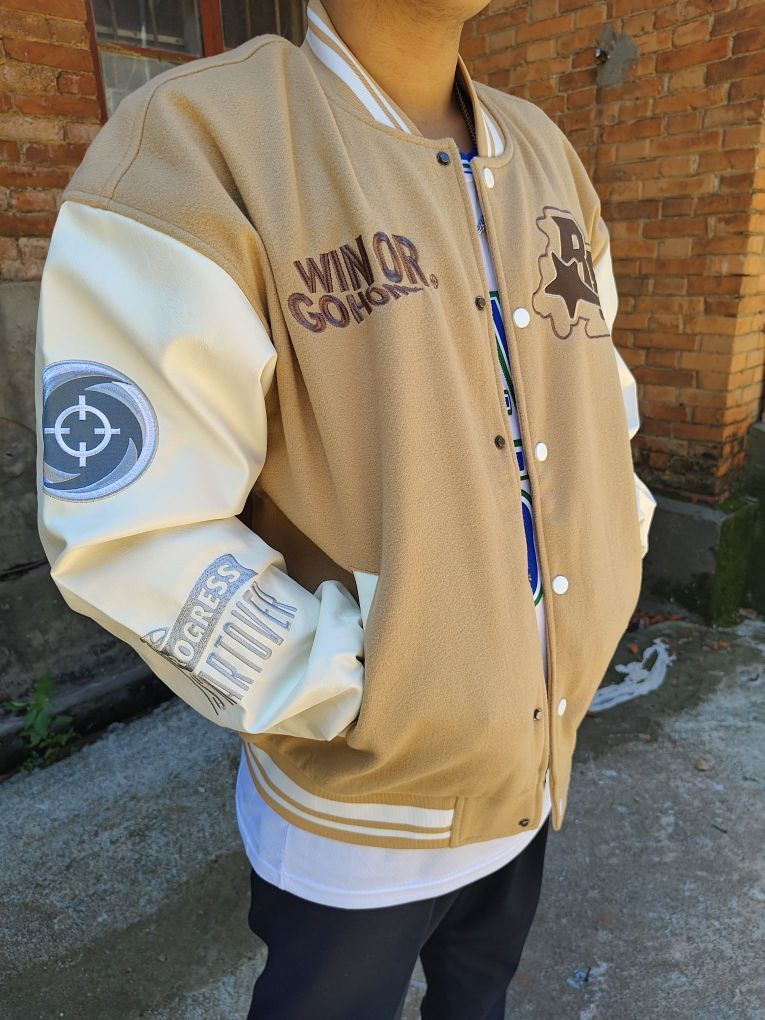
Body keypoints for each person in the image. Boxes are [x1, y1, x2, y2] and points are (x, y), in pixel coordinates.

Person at [34, 0, 656, 1016]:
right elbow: (130, 531)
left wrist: (607, 573)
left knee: (480, 1000)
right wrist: (365, 688)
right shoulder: (202, 143)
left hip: (536, 772)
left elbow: (600, 403)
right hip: (356, 832)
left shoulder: (544, 151)